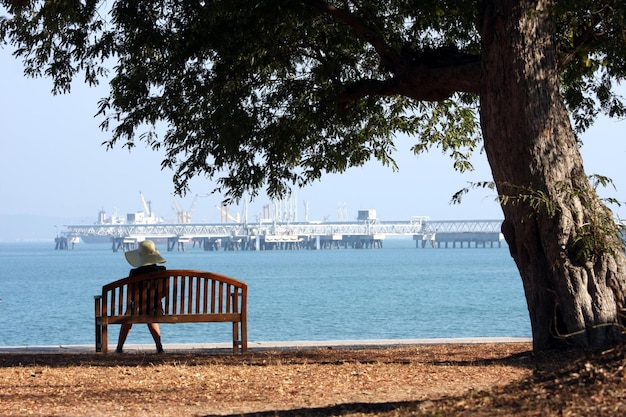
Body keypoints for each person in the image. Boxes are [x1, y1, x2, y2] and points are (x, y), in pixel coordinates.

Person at [116, 240, 167, 353]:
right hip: (156, 309)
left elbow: (131, 296)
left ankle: (119, 347)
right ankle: (159, 347)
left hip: (137, 308)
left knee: (129, 316)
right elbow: (164, 293)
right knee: (150, 314)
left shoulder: (134, 273)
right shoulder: (163, 271)